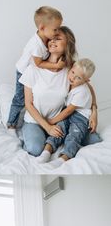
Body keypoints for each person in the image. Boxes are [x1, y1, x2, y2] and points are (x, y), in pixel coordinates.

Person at [20, 26, 100, 157]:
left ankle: (55, 139)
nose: (52, 41)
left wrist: (94, 111)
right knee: (35, 149)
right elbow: (28, 104)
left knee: (95, 140)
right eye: (51, 39)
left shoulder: (70, 69)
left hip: (60, 121)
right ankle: (33, 134)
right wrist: (47, 127)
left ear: (68, 44)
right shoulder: (33, 69)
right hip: (36, 121)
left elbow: (88, 87)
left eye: (57, 39)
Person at [7, 6, 63, 129]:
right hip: (23, 72)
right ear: (42, 28)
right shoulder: (36, 44)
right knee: (20, 99)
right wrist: (55, 65)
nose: (58, 32)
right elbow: (38, 63)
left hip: (32, 71)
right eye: (55, 29)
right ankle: (11, 123)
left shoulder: (46, 39)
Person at [36, 59, 96, 168]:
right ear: (71, 68)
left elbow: (69, 110)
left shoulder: (82, 91)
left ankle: (63, 158)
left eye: (78, 78)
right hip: (68, 111)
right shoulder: (68, 78)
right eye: (73, 72)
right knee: (59, 129)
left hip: (80, 117)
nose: (73, 78)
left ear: (86, 80)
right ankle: (46, 152)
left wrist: (51, 121)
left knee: (74, 136)